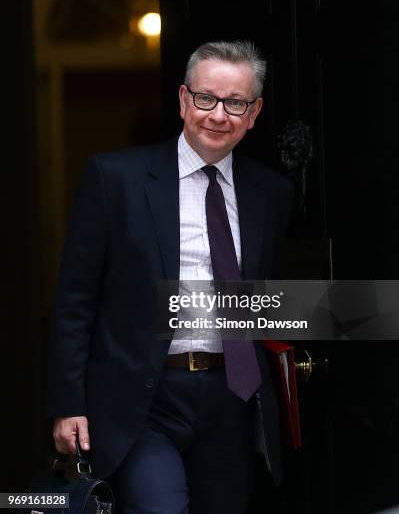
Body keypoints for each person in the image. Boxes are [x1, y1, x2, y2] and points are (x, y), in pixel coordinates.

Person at [47, 40, 293, 514]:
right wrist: (68, 402)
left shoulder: (270, 193)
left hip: (232, 399)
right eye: (206, 99)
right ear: (184, 100)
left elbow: (264, 300)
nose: (218, 115)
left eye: (235, 103)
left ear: (254, 111)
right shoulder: (114, 179)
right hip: (143, 398)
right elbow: (74, 299)